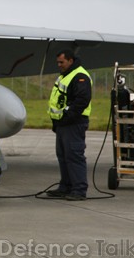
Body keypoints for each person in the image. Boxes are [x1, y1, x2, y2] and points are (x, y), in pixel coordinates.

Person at [47, 49, 92, 201]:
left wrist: (67, 118)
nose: (59, 65)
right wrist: (57, 122)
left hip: (73, 124)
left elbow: (81, 101)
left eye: (62, 62)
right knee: (63, 156)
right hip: (63, 125)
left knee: (74, 156)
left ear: (70, 61)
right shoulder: (64, 76)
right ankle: (65, 187)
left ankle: (79, 190)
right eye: (58, 62)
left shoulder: (80, 76)